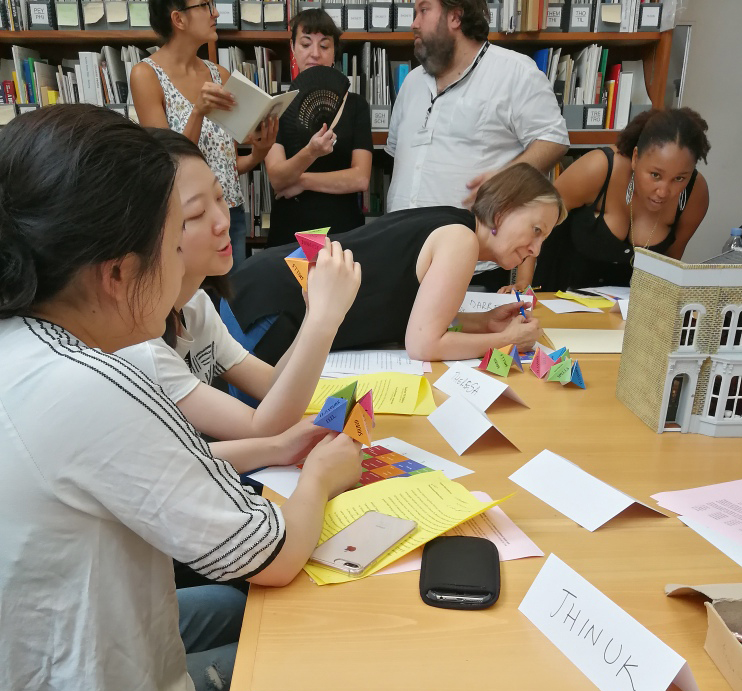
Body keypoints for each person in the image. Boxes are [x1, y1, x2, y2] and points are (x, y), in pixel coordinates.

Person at [0, 104, 361, 691]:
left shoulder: (29, 342)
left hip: (45, 664)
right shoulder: (93, 379)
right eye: (174, 238)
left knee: (230, 618)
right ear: (117, 274)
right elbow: (273, 550)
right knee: (301, 660)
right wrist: (321, 475)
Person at [119, 127, 362, 475]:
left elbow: (272, 385)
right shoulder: (142, 348)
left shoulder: (196, 307)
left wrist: (314, 317)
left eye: (220, 198)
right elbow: (264, 426)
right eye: (196, 215)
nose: (221, 222)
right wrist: (324, 321)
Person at [226, 163, 566, 365]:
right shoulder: (461, 241)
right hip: (267, 311)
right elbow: (424, 345)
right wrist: (508, 340)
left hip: (257, 289)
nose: (536, 249)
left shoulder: (452, 224)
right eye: (536, 231)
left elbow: (415, 315)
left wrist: (482, 322)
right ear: (503, 211)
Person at [385, 0, 569, 289]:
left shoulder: (515, 72)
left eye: (423, 10)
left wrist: (507, 179)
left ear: (455, 17)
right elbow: (398, 155)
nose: (414, 23)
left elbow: (553, 139)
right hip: (402, 260)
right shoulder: (411, 83)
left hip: (471, 267)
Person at [130, 0, 278, 267]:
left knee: (233, 302)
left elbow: (228, 166)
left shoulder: (218, 74)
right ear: (179, 19)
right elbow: (166, 165)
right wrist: (197, 112)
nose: (216, 13)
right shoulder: (146, 76)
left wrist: (259, 153)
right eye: (205, 6)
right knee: (192, 303)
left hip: (231, 212)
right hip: (187, 218)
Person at [513, 107, 711, 293]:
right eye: (655, 175)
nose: (663, 191)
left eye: (679, 178)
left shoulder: (695, 194)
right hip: (559, 295)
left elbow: (669, 266)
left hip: (626, 312)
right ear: (635, 158)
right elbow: (536, 221)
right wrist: (523, 282)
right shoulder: (599, 169)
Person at [263, 9, 374, 246]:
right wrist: (311, 152)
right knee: (288, 283)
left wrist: (302, 181)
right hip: (290, 229)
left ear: (334, 52)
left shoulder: (355, 105)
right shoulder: (275, 104)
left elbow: (360, 179)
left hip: (342, 231)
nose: (315, 54)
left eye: (324, 46)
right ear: (293, 49)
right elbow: (278, 179)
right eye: (305, 44)